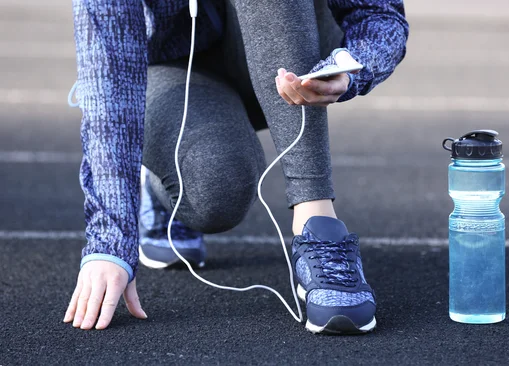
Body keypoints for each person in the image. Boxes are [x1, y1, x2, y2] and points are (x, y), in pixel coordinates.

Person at [63, 0, 409, 334]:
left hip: (292, 55)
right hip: (177, 75)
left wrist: (354, 65)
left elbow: (379, 13)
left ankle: (318, 225)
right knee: (218, 188)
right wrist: (110, 243)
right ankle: (160, 179)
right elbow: (107, 74)